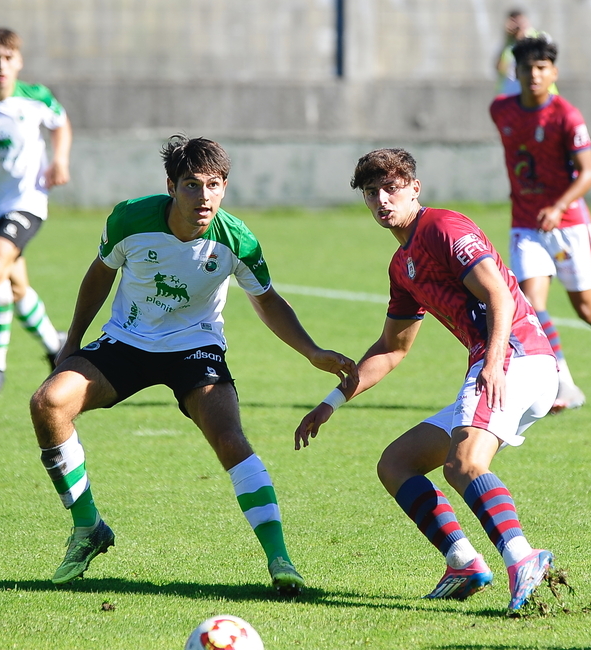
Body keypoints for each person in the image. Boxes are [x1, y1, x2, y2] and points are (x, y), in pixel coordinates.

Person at [29, 135, 358, 595]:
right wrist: (72, 344)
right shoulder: (130, 218)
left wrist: (311, 351)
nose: (204, 197)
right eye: (191, 185)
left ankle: (280, 558)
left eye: (214, 184)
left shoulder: (236, 239)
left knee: (229, 437)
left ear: (224, 187)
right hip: (127, 342)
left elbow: (267, 301)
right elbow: (100, 274)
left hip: (195, 349)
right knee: (48, 403)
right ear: (171, 186)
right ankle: (88, 527)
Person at [294, 148, 557, 614]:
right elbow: (393, 349)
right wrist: (331, 401)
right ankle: (463, 562)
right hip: (503, 363)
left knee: (463, 464)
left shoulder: (443, 227)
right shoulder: (402, 266)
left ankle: (523, 557)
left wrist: (494, 362)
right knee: (397, 463)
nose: (381, 200)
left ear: (414, 188)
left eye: (391, 188)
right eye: (371, 193)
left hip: (515, 358)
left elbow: (498, 292)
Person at [490, 35, 591, 412]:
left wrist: (559, 205)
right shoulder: (501, 110)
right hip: (526, 224)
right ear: (518, 71)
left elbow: (588, 173)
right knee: (529, 302)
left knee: (586, 308)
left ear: (554, 73)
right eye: (527, 68)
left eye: (542, 68)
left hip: (569, 224)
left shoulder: (567, 116)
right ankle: (565, 384)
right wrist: (507, 40)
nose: (534, 75)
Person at [0, 26, 70, 395]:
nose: (1, 65)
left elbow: (60, 122)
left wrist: (60, 160)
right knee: (15, 287)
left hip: (27, 202)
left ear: (18, 61)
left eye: (7, 58)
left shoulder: (35, 98)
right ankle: (56, 346)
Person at [494, 10, 556, 97]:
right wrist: (507, 40)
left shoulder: (539, 38)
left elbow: (546, 58)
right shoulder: (508, 45)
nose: (516, 26)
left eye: (518, 22)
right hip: (513, 96)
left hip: (542, 96)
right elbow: (499, 68)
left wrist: (522, 35)